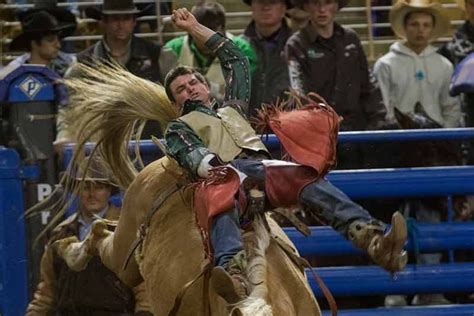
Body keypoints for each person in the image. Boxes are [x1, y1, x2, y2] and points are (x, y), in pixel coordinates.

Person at [164, 8, 407, 306]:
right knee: (220, 191)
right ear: (176, 103)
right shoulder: (178, 126)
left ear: (205, 86)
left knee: (305, 178)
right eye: (180, 90)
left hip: (262, 170)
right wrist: (216, 168)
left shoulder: (233, 108)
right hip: (221, 176)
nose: (190, 89)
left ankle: (372, 238)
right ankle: (232, 270)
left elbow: (235, 60)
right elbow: (191, 154)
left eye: (193, 83)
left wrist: (195, 27)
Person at [373, 0, 461, 307]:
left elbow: (451, 109)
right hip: (399, 153)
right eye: (415, 24)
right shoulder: (386, 64)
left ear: (432, 29)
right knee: (396, 220)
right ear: (405, 27)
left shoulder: (443, 65)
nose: (421, 31)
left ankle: (430, 288)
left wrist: (443, 142)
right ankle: (395, 288)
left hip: (434, 155)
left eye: (426, 25)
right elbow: (382, 107)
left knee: (432, 219)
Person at [26, 156, 152, 316]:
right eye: (86, 187)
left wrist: (144, 313)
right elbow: (47, 291)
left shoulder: (125, 230)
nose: (92, 194)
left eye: (99, 187)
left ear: (108, 190)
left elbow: (142, 285)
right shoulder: (60, 234)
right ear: (77, 190)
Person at [284, 0, 389, 169]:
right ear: (306, 7)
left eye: (328, 2)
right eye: (315, 3)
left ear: (336, 6)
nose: (322, 9)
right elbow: (298, 91)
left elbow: (368, 82)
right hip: (320, 136)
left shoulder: (351, 38)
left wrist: (379, 119)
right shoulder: (297, 44)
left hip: (357, 131)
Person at [55, 0, 176, 146]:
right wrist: (64, 135)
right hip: (103, 144)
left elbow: (176, 94)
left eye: (126, 18)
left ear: (134, 21)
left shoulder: (157, 54)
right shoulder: (83, 63)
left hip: (151, 141)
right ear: (104, 22)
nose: (121, 25)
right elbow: (68, 105)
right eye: (115, 19)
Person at [164, 2, 257, 103]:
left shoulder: (242, 50)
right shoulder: (172, 49)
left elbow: (247, 91)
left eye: (211, 30)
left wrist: (213, 88)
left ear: (222, 28)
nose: (205, 39)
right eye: (200, 30)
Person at [241, 0, 294, 118]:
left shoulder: (298, 46)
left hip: (289, 126)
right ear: (252, 7)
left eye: (273, 2)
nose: (266, 7)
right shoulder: (238, 46)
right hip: (246, 128)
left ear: (284, 8)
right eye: (260, 2)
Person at [9, 0, 78, 77]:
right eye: (50, 40)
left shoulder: (69, 65)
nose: (58, 45)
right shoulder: (15, 70)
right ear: (34, 43)